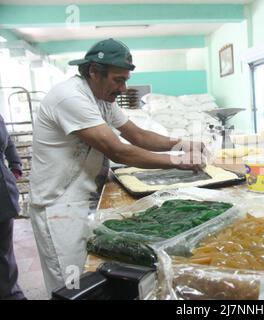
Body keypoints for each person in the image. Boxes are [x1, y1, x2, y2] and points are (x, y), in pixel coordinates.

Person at [28, 38, 206, 297]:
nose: (123, 88)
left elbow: (138, 136)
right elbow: (118, 150)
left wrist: (181, 143)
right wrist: (180, 161)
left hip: (87, 195)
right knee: (72, 283)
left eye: (125, 80)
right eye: (118, 79)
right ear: (93, 72)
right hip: (59, 204)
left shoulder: (103, 99)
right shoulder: (70, 97)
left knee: (91, 274)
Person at [0, 114, 26, 300]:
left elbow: (7, 140)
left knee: (4, 253)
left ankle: (11, 294)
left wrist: (15, 164)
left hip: (1, 195)